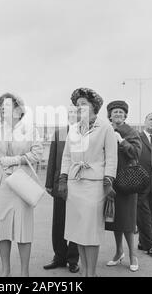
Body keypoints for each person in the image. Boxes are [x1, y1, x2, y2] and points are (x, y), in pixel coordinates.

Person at [0, 93, 43, 277]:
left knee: (23, 229)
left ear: (17, 109)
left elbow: (37, 154)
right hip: (1, 185)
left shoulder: (30, 129)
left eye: (6, 105)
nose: (2, 108)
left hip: (21, 183)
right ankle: (5, 271)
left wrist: (15, 160)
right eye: (0, 106)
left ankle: (25, 273)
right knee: (2, 229)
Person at [58, 88, 118, 277]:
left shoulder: (106, 127)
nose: (79, 107)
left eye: (84, 103)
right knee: (78, 233)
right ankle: (85, 272)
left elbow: (111, 157)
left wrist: (108, 181)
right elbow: (67, 156)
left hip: (95, 184)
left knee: (90, 233)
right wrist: (63, 179)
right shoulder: (74, 128)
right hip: (75, 184)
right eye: (77, 104)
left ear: (94, 106)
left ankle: (91, 274)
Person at [105, 100, 142, 272]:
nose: (118, 114)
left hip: (127, 181)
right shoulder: (105, 130)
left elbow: (137, 152)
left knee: (127, 221)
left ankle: (132, 255)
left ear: (125, 115)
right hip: (111, 180)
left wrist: (121, 141)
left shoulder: (130, 131)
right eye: (115, 112)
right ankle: (119, 252)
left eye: (121, 112)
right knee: (115, 220)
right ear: (110, 115)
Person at [43, 104, 79, 273]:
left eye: (76, 112)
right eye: (70, 112)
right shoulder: (59, 133)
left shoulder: (85, 133)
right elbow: (52, 159)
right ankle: (59, 257)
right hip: (59, 184)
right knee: (59, 222)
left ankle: (73, 259)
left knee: (75, 222)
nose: (73, 115)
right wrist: (49, 183)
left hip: (79, 185)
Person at [137, 112, 152, 256]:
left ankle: (142, 242)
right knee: (144, 215)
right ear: (145, 121)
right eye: (150, 119)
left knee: (150, 215)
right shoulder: (137, 137)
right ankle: (149, 245)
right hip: (140, 182)